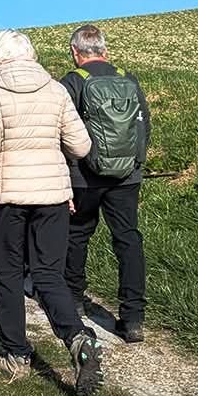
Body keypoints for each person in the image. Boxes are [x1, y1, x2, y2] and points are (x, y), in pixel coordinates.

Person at [0, 30, 103, 396]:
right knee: (48, 275)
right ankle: (77, 338)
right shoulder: (56, 90)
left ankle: (15, 355)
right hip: (53, 198)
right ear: (31, 56)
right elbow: (81, 144)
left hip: (8, 198)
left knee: (8, 275)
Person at [60, 24, 151, 343]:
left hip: (84, 176)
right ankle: (133, 317)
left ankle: (73, 301)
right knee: (127, 238)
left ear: (75, 52)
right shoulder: (128, 78)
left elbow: (63, 131)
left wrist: (68, 170)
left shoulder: (73, 82)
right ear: (105, 50)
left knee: (77, 235)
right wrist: (135, 163)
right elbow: (144, 124)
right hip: (127, 175)